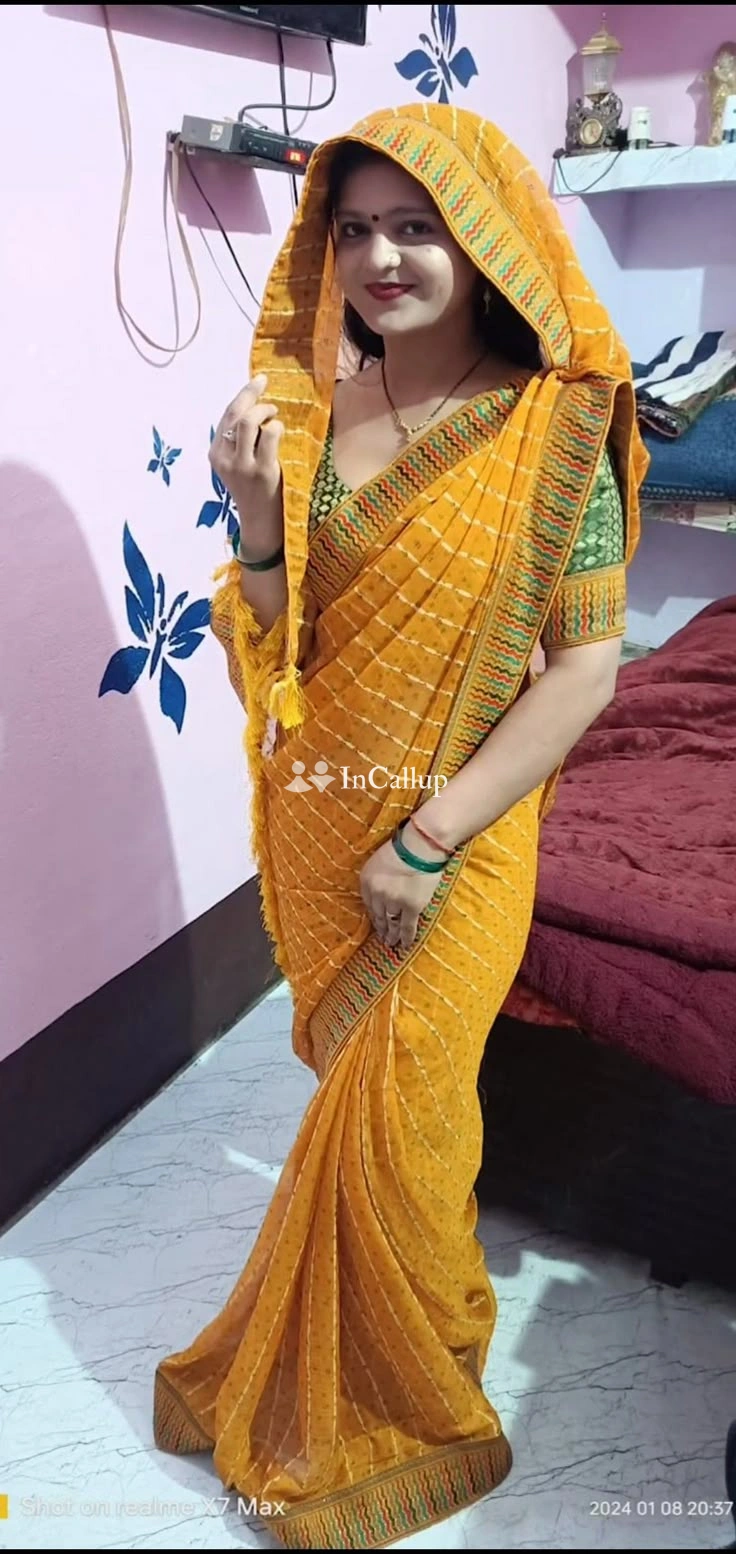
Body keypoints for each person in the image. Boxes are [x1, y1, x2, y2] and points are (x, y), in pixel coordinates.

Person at [153, 103, 648, 1549]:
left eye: (417, 228)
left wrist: (428, 841)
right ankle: (375, 1366)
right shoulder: (308, 417)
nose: (381, 257)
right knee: (360, 1112)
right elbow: (283, 645)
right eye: (358, 228)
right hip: (322, 828)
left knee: (411, 1121)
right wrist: (255, 521)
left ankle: (411, 1398)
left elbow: (584, 671)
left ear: (483, 242)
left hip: (462, 840)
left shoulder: (557, 427)